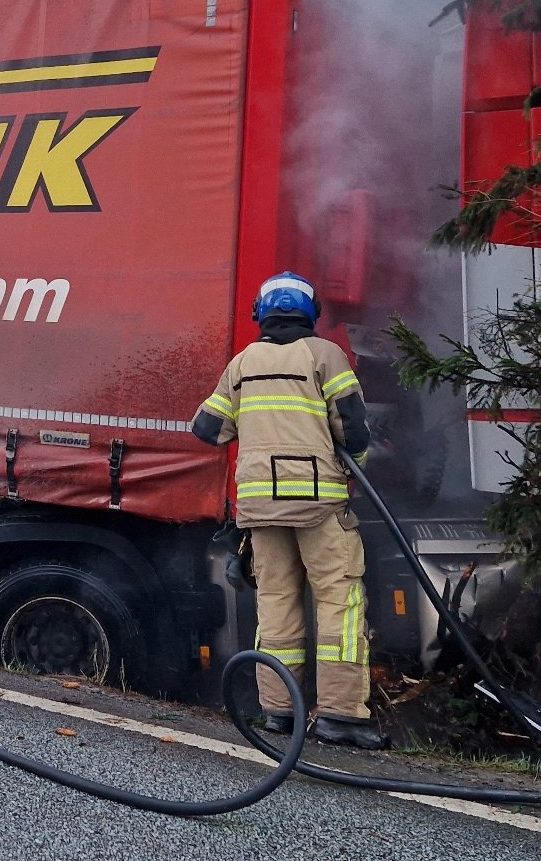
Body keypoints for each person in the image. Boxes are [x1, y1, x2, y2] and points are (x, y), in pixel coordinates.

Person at [192, 271, 386, 749]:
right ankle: (341, 716)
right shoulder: (326, 355)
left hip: (260, 509)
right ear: (310, 313)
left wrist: (259, 426)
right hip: (318, 505)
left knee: (275, 604)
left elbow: (206, 427)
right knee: (339, 602)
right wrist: (349, 466)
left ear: (262, 313)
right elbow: (355, 432)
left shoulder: (242, 363)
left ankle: (279, 711)